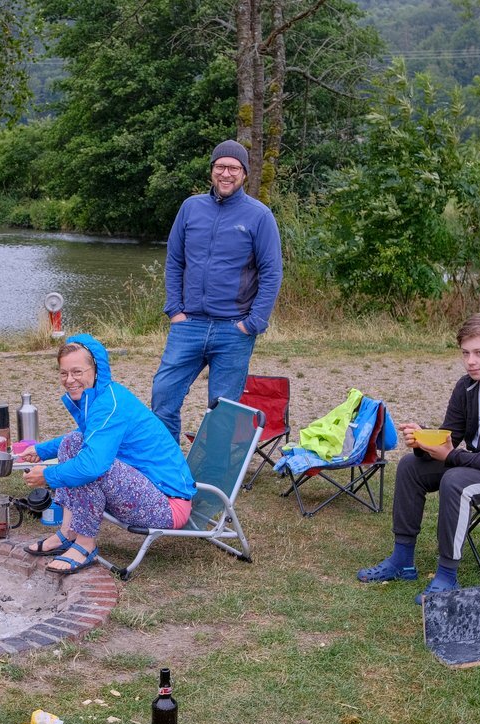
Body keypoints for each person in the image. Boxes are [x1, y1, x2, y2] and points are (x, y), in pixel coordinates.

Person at [356, 314, 480, 603]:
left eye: (478, 353)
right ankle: (402, 561)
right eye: (465, 353)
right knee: (411, 466)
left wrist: (453, 457)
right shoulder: (467, 387)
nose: (470, 361)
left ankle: (447, 577)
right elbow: (451, 437)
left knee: (455, 480)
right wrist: (424, 440)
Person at [20, 334, 196, 574]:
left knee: (91, 467)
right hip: (149, 488)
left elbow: (92, 466)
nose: (69, 380)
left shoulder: (109, 404)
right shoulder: (103, 396)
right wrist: (42, 450)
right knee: (74, 443)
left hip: (166, 504)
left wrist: (48, 475)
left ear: (95, 369)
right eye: (64, 373)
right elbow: (87, 436)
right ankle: (68, 532)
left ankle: (85, 545)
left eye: (77, 372)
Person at [150, 139, 283, 442]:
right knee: (163, 396)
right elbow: (174, 261)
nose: (226, 173)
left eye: (234, 168)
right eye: (220, 166)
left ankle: (213, 479)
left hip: (233, 330)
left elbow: (272, 273)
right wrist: (175, 310)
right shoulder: (190, 208)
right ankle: (168, 470)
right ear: (211, 171)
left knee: (223, 411)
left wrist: (252, 323)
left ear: (244, 173)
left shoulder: (259, 216)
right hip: (189, 325)